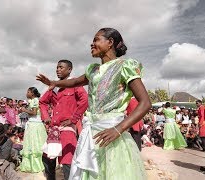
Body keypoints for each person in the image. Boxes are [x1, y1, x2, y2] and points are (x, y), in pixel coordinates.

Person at [37, 28, 150, 180]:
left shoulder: (125, 66)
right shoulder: (93, 70)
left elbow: (145, 103)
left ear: (110, 43)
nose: (92, 44)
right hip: (92, 134)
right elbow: (75, 81)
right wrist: (53, 83)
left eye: (96, 39)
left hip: (112, 133)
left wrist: (118, 129)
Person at [39, 59, 88, 180]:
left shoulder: (75, 85)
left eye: (61, 67)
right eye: (57, 67)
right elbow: (42, 102)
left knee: (67, 161)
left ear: (69, 70)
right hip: (54, 130)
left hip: (67, 130)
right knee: (47, 159)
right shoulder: (54, 87)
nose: (58, 70)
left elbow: (85, 100)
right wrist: (46, 118)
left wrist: (73, 119)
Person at [20, 87, 48, 173]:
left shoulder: (35, 100)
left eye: (28, 91)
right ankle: (31, 164)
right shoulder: (32, 101)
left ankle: (36, 164)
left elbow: (34, 113)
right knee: (32, 143)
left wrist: (25, 110)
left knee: (34, 143)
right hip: (32, 123)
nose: (26, 93)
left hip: (35, 125)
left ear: (32, 93)